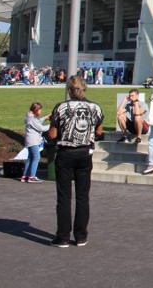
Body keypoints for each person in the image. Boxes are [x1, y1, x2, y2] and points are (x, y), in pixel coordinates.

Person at [47, 75, 104, 247]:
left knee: (64, 197)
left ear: (70, 90)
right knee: (83, 197)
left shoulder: (61, 107)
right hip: (85, 153)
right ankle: (81, 236)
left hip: (65, 152)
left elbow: (53, 135)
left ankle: (63, 236)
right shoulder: (95, 108)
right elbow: (99, 132)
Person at [21, 102, 49, 183]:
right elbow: (41, 128)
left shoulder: (30, 116)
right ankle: (32, 177)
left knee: (30, 158)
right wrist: (52, 125)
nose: (40, 111)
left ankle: (25, 176)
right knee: (36, 157)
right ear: (36, 110)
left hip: (29, 140)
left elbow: (37, 123)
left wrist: (44, 118)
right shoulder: (32, 119)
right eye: (40, 110)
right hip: (33, 141)